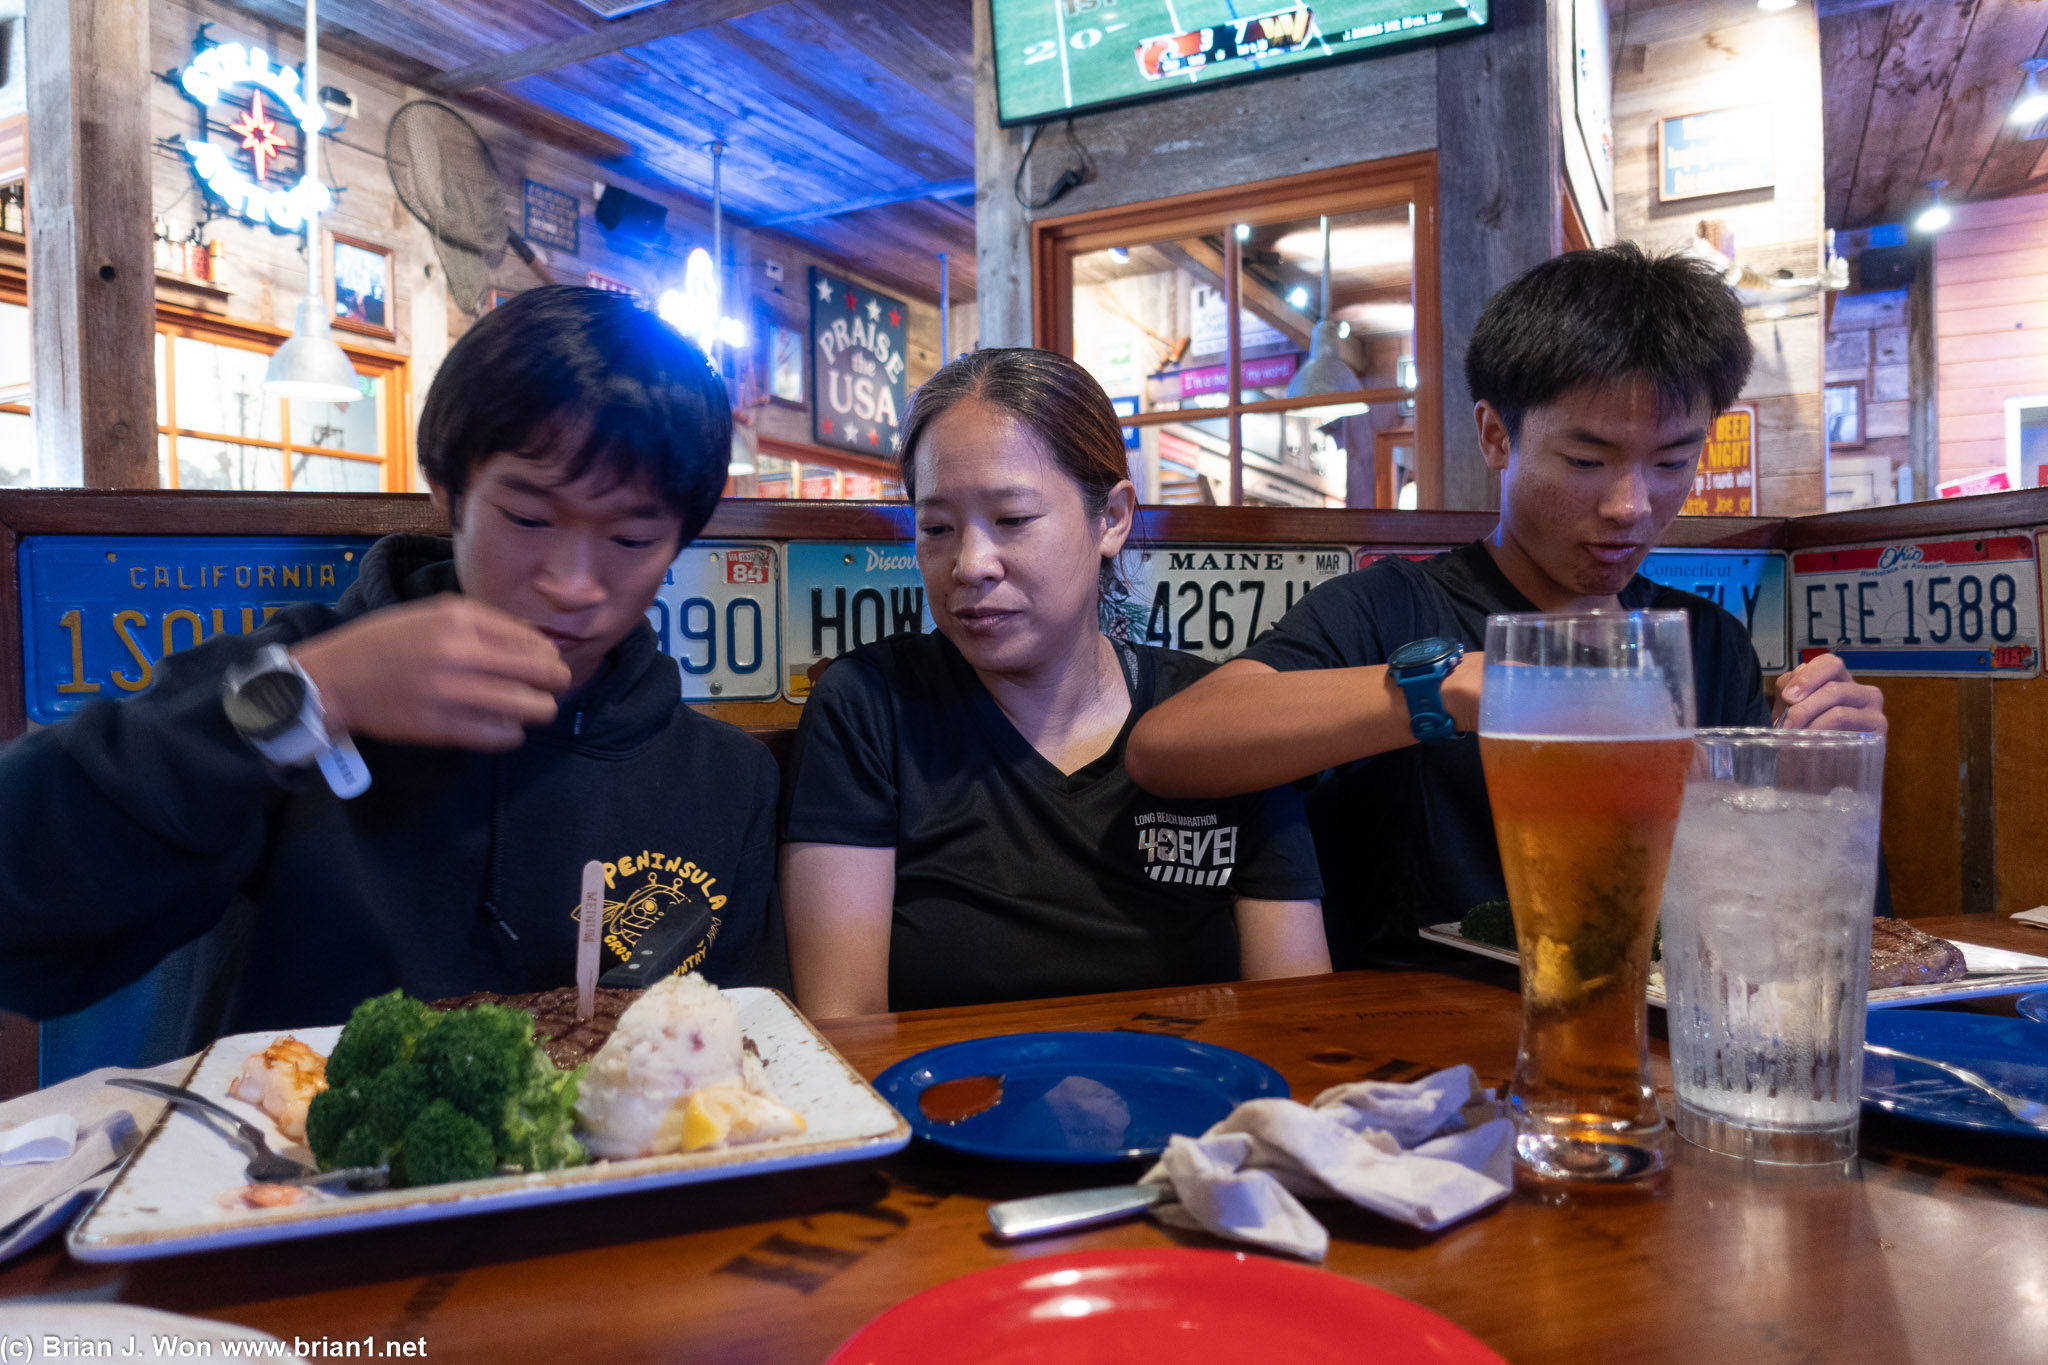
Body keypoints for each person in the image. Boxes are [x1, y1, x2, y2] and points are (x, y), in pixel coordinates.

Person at [0, 287, 789, 1067]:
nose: (573, 582)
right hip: (284, 1181)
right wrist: (309, 697)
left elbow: (739, 1065)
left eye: (629, 536)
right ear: (448, 491)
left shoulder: (725, 779)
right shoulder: (303, 665)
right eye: (529, 518)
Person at [1127, 244, 1887, 968]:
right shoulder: (1392, 608)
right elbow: (1170, 745)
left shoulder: (1707, 642)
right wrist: (1449, 688)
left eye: (1671, 462)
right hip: (1425, 1053)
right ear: (1496, 435)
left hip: (1642, 1043)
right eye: (1587, 461)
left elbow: (1748, 906)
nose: (1631, 504)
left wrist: (1808, 770)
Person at [779, 348, 1329, 1016]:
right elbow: (845, 1030)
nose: (970, 564)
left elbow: (1295, 1018)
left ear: (1113, 518)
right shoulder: (871, 707)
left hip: (1200, 1111)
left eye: (1012, 520)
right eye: (936, 528)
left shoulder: (1220, 721)